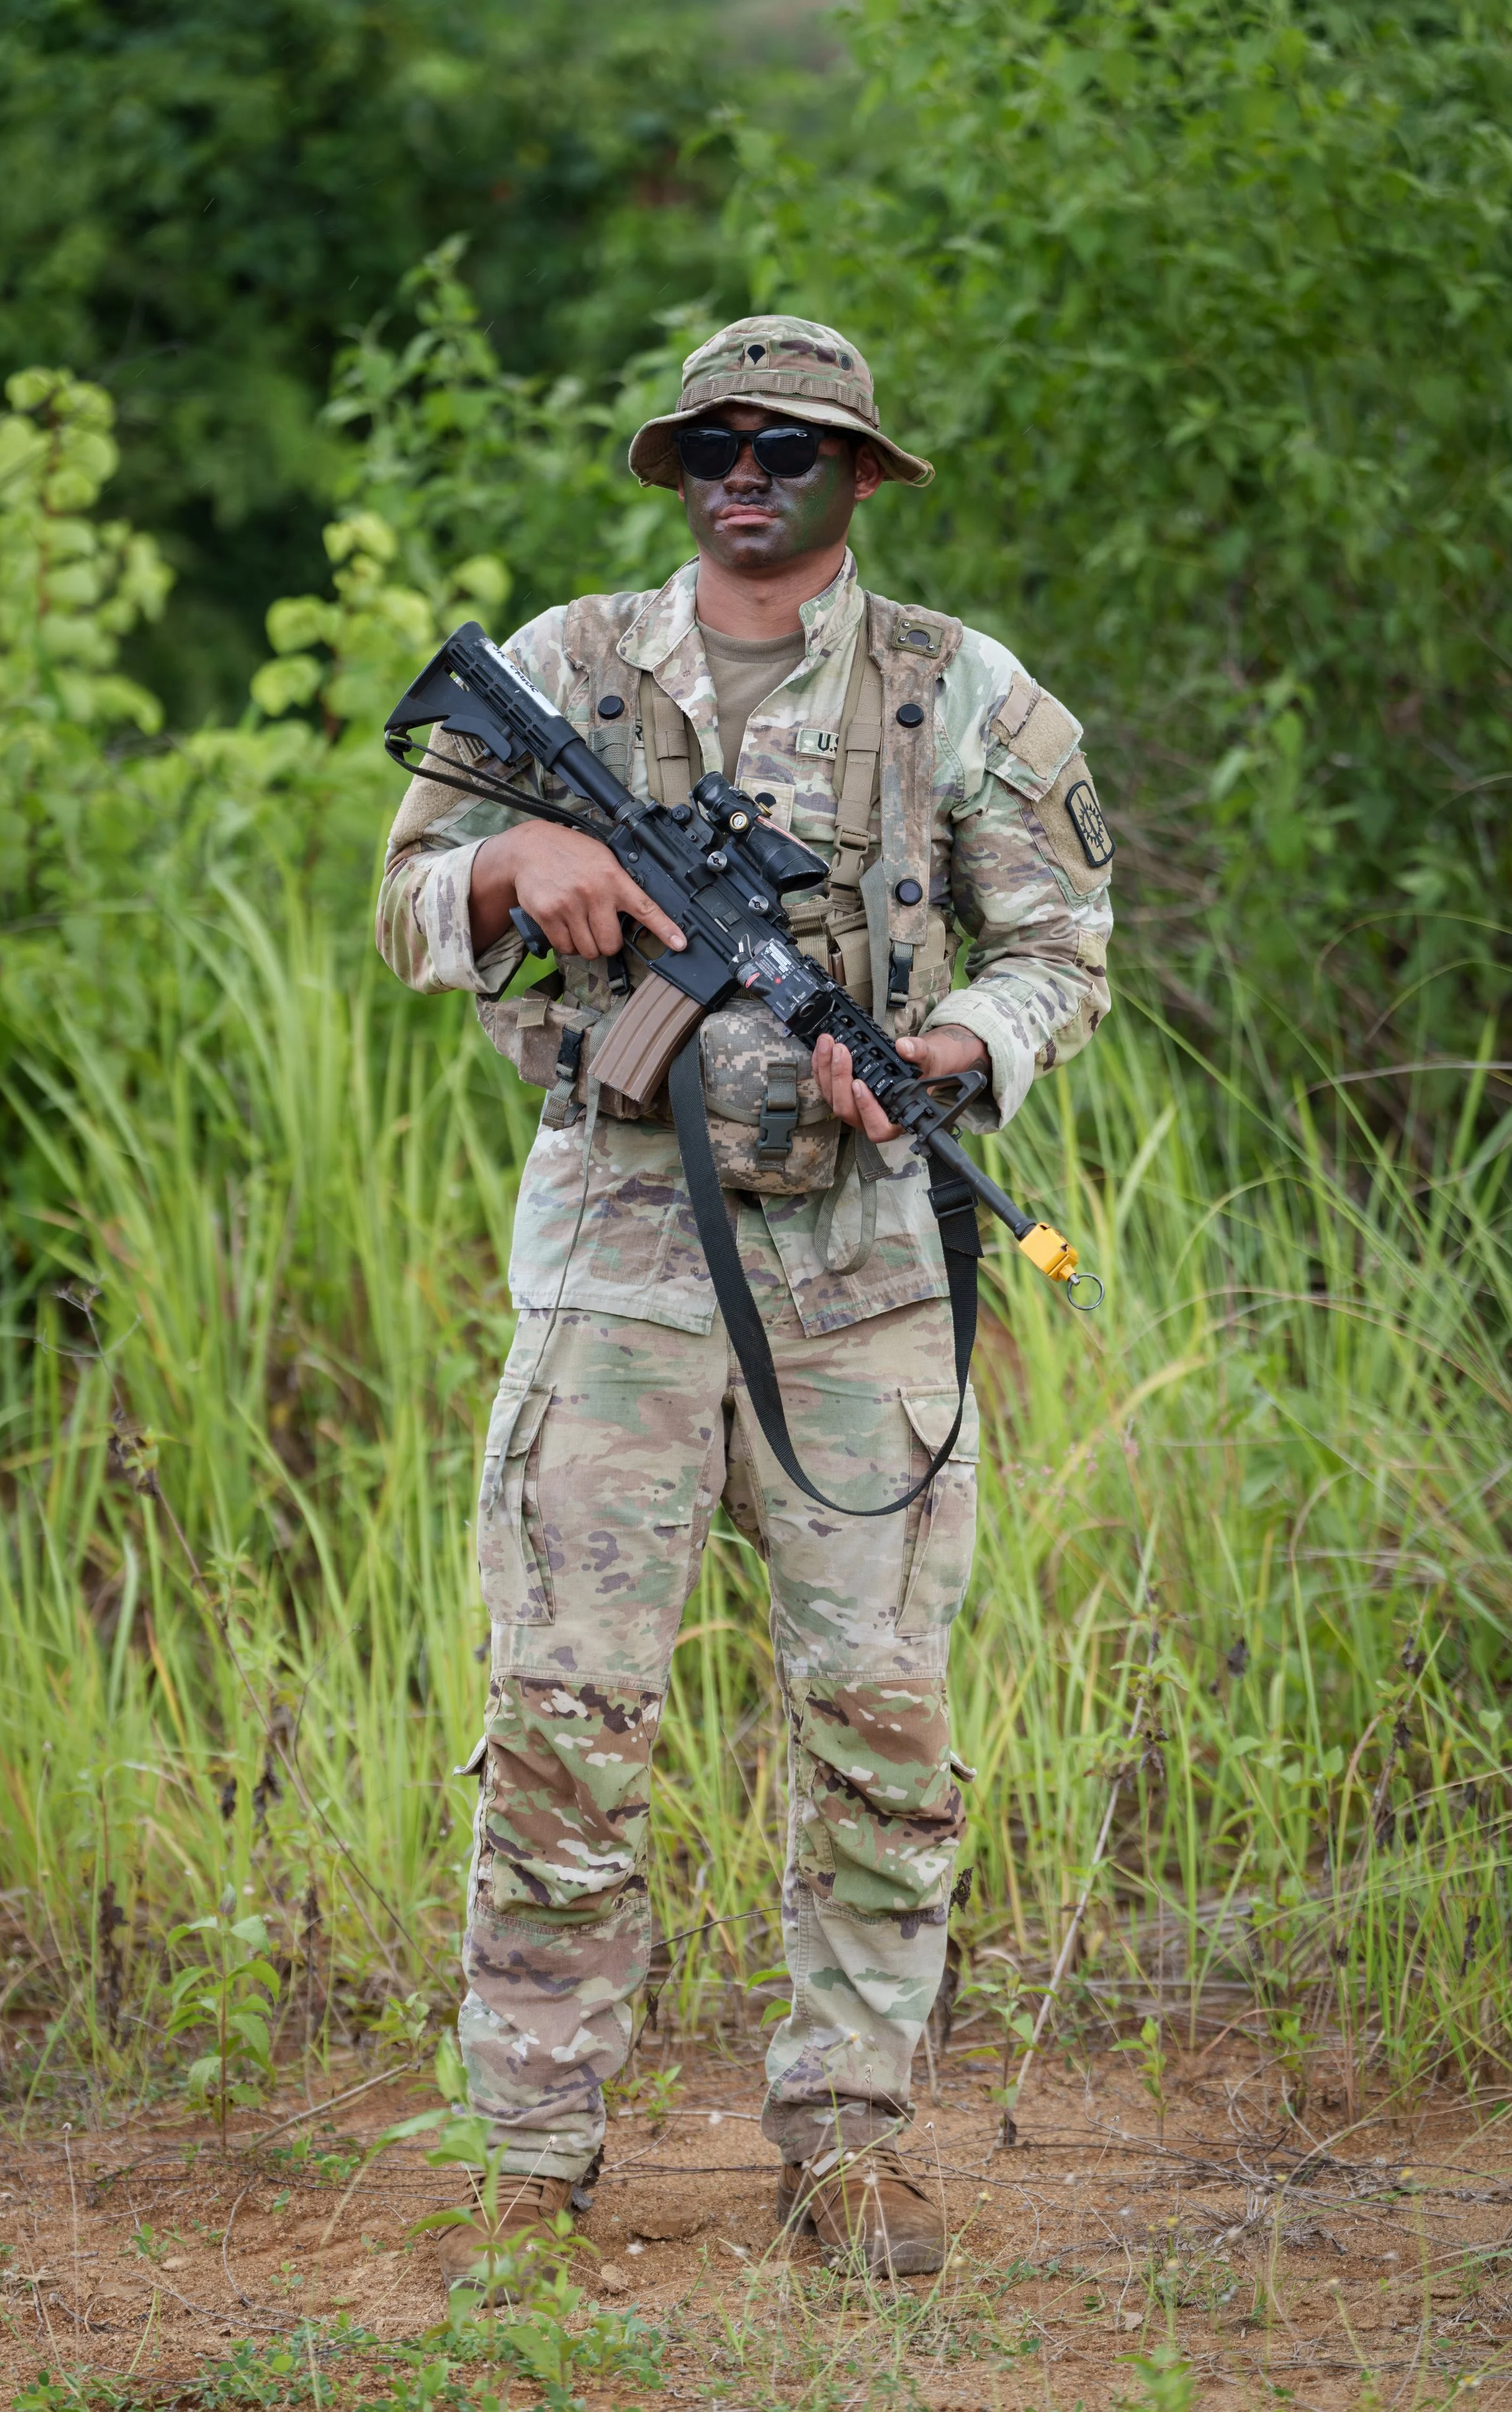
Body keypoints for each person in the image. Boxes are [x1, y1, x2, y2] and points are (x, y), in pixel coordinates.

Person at [376, 315, 1113, 2283]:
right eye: (713, 442)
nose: (746, 474)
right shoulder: (559, 668)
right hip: (615, 1253)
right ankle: (531, 2159)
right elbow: (405, 899)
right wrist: (522, 861)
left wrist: (950, 1047)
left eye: (789, 445)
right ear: (676, 466)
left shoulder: (964, 695)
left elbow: (1060, 947)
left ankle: (850, 2139)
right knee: (560, 1708)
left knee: (880, 1716)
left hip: (866, 1270)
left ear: (859, 474)